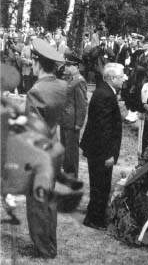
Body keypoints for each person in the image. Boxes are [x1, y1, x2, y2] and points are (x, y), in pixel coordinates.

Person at [25, 38, 67, 258]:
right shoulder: (62, 86)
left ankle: (43, 249)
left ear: (37, 62)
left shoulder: (35, 91)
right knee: (49, 201)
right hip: (55, 148)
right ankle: (50, 244)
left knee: (37, 202)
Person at [80, 63, 125, 230]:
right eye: (121, 76)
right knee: (101, 185)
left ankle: (95, 215)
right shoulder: (105, 94)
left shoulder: (105, 91)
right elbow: (103, 128)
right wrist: (108, 154)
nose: (124, 79)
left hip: (97, 148)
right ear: (112, 78)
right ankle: (94, 219)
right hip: (100, 150)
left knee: (99, 185)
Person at [60, 55, 88, 179]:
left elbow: (82, 104)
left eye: (69, 65)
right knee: (65, 150)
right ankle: (67, 174)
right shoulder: (68, 78)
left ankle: (72, 177)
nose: (66, 67)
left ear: (76, 66)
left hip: (72, 122)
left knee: (71, 152)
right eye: (66, 65)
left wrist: (79, 123)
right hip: (64, 120)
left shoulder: (79, 80)